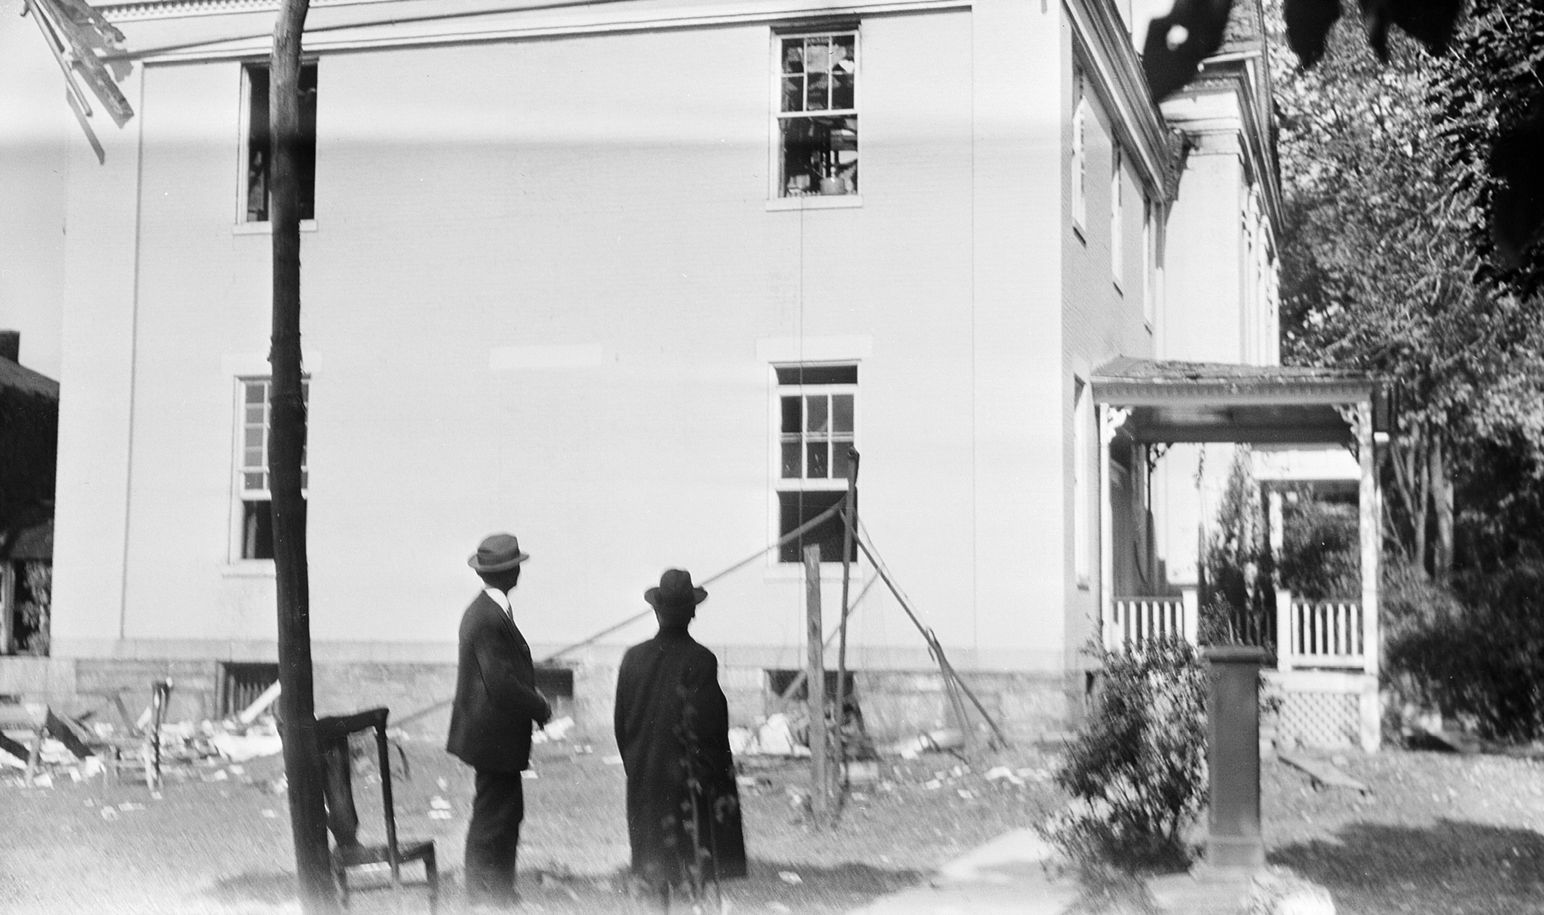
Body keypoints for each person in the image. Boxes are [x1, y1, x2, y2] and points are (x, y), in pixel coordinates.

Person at [614, 569, 747, 908]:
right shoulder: (701, 660)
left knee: (652, 868)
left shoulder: (633, 658)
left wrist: (638, 766)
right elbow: (710, 730)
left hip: (645, 782)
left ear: (657, 612)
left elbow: (621, 726)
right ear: (692, 613)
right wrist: (711, 777)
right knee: (688, 869)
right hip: (686, 787)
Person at [446, 533, 552, 908]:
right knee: (494, 817)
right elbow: (501, 683)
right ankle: (481, 898)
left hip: (493, 738)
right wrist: (540, 706)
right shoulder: (489, 617)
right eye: (516, 565)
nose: (519, 570)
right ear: (510, 572)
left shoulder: (488, 611)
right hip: (493, 740)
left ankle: (501, 894)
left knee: (505, 814)